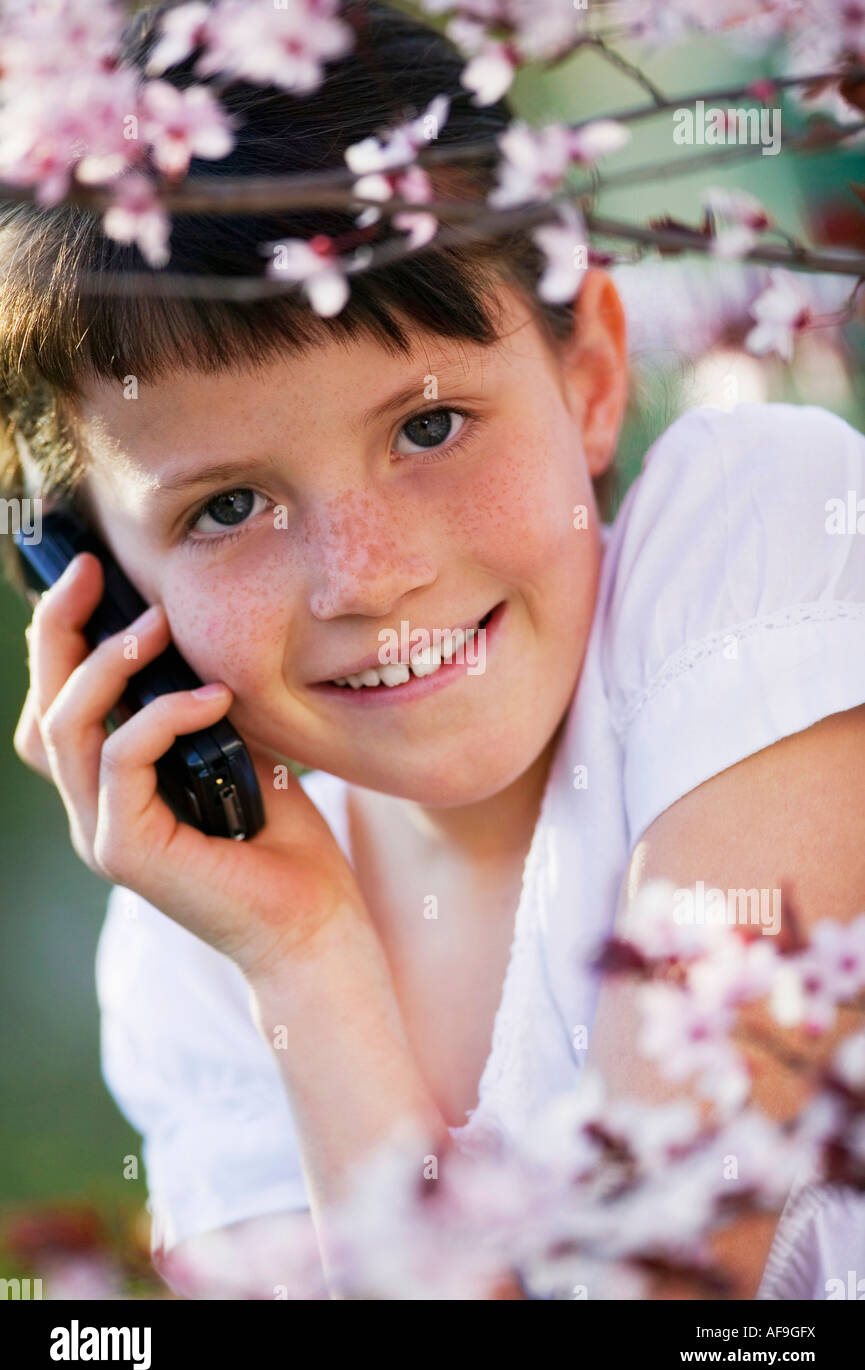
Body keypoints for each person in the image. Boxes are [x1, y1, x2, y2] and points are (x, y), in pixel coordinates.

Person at [4, 0, 865, 1300]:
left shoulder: (757, 548)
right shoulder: (197, 950)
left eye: (430, 424)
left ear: (588, 376)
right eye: (226, 506)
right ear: (102, 587)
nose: (370, 571)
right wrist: (304, 953)